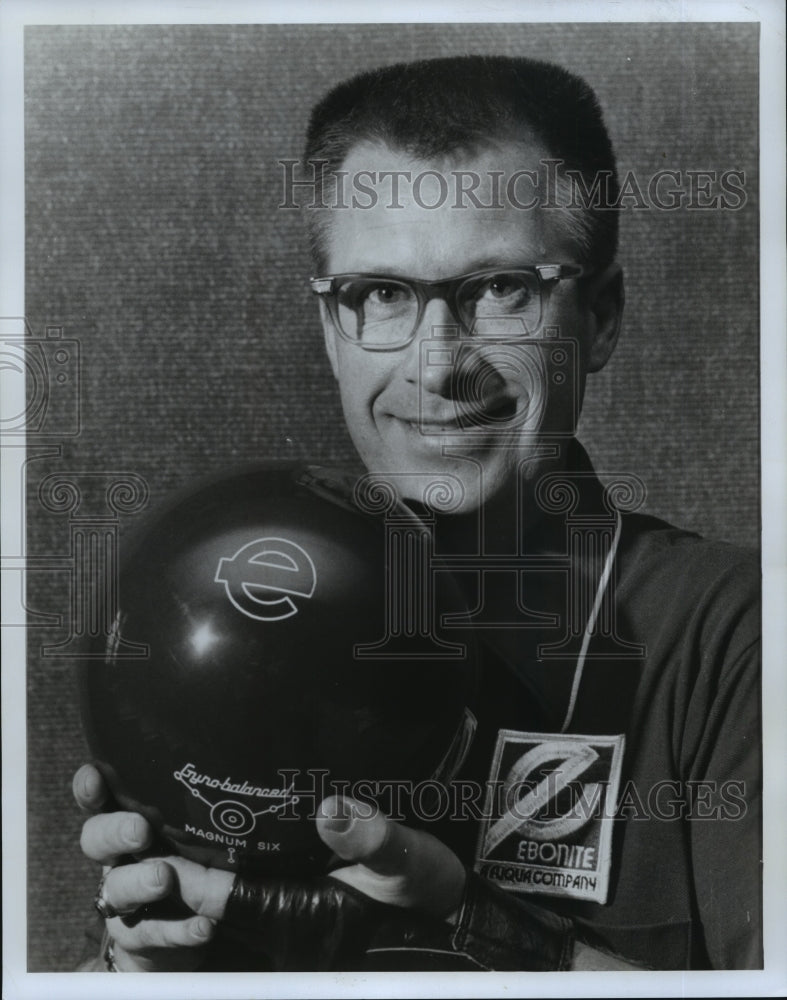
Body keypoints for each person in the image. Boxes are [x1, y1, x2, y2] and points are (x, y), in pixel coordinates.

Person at [74, 54, 761, 972]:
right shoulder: (223, 622)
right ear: (331, 329)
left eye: (499, 291)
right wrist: (152, 970)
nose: (438, 367)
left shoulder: (733, 639)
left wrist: (458, 931)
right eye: (382, 295)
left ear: (599, 317)